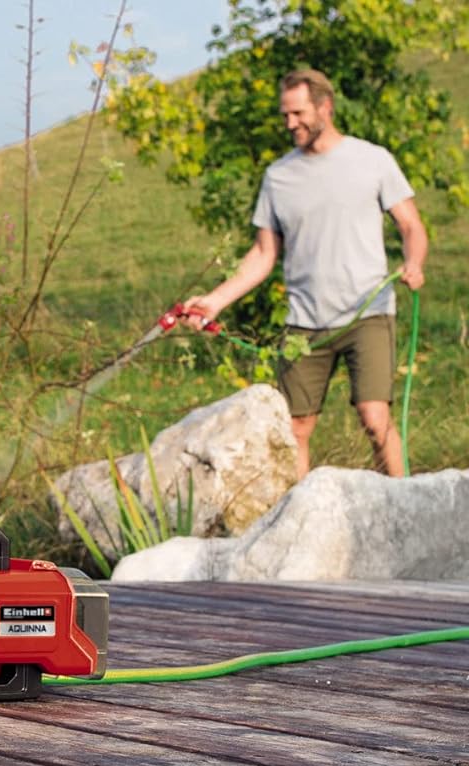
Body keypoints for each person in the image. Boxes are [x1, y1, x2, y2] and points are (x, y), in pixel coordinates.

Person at [183, 68, 428, 479]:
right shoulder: (278, 177)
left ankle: (402, 501)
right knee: (296, 428)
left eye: (297, 113)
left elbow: (411, 226)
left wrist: (414, 262)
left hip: (367, 312)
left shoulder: (372, 160)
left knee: (374, 417)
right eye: (285, 115)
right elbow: (263, 254)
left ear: (325, 108)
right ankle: (298, 519)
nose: (289, 123)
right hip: (304, 323)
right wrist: (213, 301)